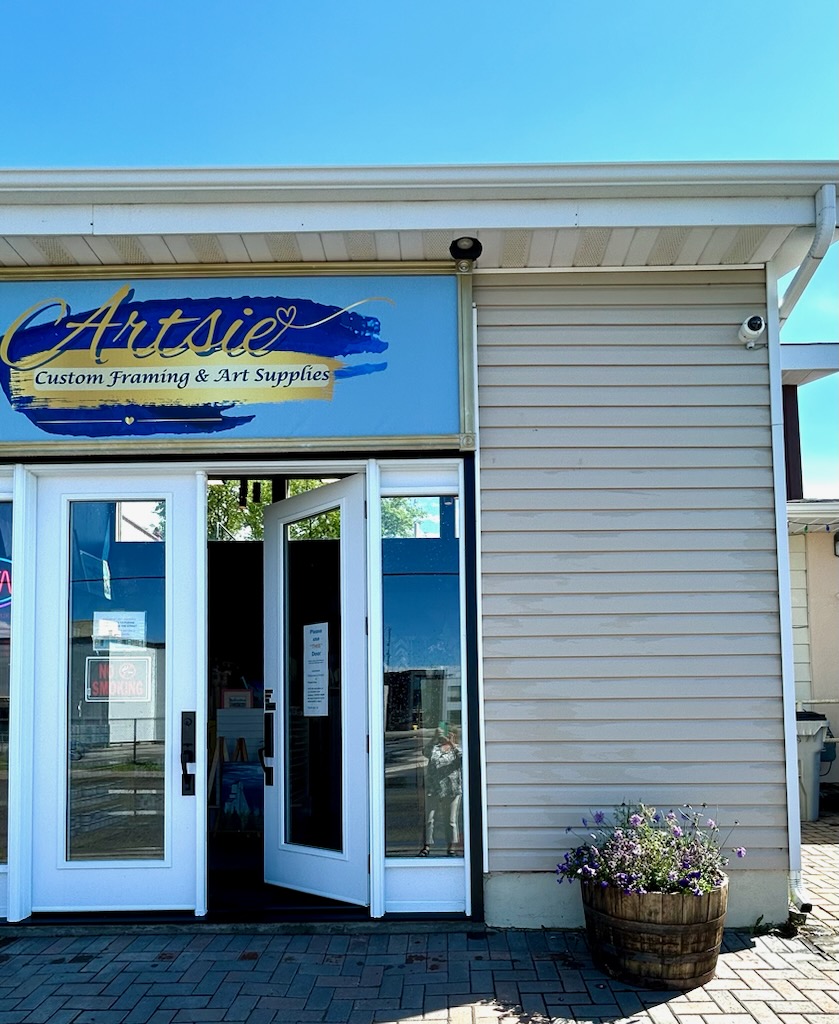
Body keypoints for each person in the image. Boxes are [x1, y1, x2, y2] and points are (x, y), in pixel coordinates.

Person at [419, 724, 462, 856]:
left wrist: (453, 744)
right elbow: (425, 752)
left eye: (450, 733)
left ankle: (451, 848)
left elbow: (463, 759)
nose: (446, 735)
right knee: (430, 819)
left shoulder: (457, 749)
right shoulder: (435, 749)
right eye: (445, 733)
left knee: (451, 820)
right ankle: (427, 846)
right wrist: (434, 738)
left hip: (451, 790)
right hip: (434, 788)